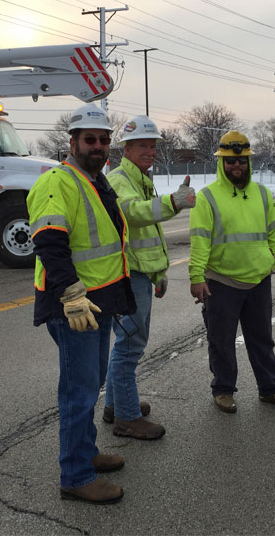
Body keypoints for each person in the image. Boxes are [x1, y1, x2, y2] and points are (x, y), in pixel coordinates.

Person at [26, 104, 136, 505]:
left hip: (97, 303)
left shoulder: (94, 180)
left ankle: (86, 453)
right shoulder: (58, 181)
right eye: (89, 139)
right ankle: (75, 475)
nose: (98, 146)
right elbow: (50, 245)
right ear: (71, 142)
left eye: (104, 140)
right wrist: (72, 295)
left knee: (91, 384)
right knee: (78, 393)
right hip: (74, 307)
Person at [188, 130, 275, 414]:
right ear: (221, 163)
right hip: (222, 281)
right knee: (221, 341)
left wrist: (273, 259)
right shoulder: (208, 197)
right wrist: (196, 277)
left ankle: (271, 388)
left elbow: (274, 229)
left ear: (249, 162)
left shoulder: (261, 193)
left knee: (261, 338)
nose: (236, 166)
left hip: (258, 280)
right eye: (230, 161)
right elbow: (200, 239)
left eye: (242, 161)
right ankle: (223, 390)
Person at [103, 115, 196, 439]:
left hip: (141, 273)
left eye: (153, 145)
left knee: (126, 344)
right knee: (130, 345)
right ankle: (127, 418)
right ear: (126, 148)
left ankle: (115, 406)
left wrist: (159, 273)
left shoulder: (140, 179)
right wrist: (173, 202)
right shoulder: (119, 181)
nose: (150, 151)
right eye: (143, 145)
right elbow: (133, 214)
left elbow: (148, 234)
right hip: (130, 275)